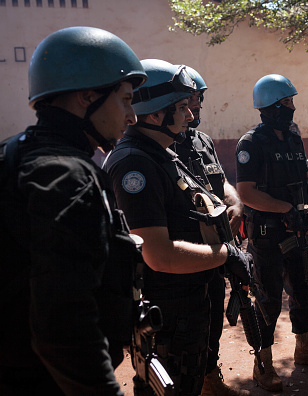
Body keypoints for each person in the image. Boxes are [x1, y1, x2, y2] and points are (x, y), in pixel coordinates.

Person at [0, 26, 147, 395]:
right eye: (126, 99)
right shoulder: (67, 178)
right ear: (87, 97)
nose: (131, 116)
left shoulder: (12, 153)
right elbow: (64, 330)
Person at [103, 59, 251, 395]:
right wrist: (226, 253)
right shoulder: (135, 163)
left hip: (186, 302)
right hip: (166, 310)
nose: (189, 115)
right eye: (182, 107)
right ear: (155, 114)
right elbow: (159, 254)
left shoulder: (163, 153)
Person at [235, 74, 308, 392]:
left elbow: (304, 180)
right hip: (267, 235)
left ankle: (304, 349)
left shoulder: (293, 136)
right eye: (286, 103)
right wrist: (285, 210)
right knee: (269, 300)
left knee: (303, 291)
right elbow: (246, 193)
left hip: (297, 230)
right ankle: (263, 364)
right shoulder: (250, 143)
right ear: (270, 107)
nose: (292, 108)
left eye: (291, 101)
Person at [168, 65, 249, 396]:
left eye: (199, 99)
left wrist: (236, 203)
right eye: (189, 99)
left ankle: (209, 373)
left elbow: (222, 183)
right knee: (180, 330)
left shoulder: (203, 142)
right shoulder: (161, 146)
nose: (195, 106)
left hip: (215, 251)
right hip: (179, 256)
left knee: (214, 316)